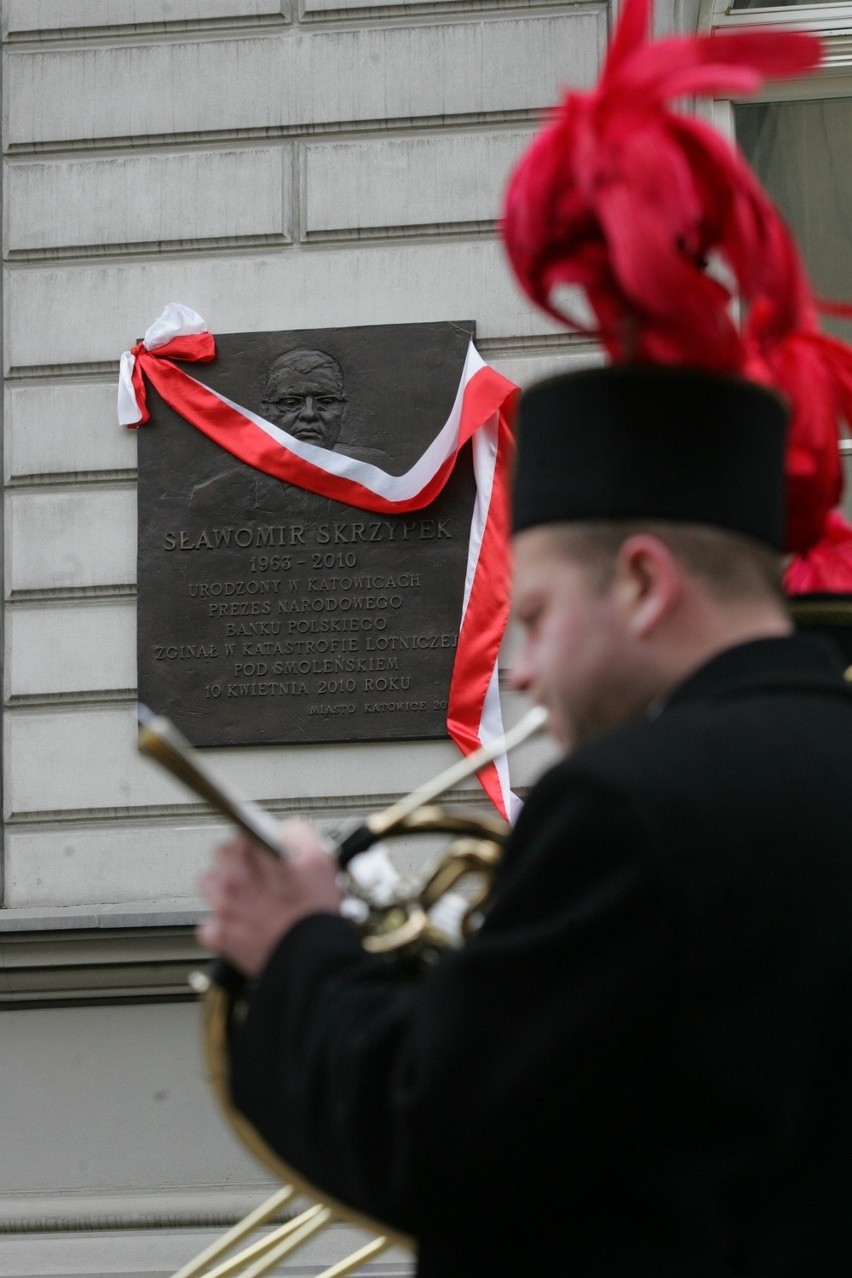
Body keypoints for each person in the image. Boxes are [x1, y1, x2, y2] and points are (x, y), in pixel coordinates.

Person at [199, 362, 852, 1276]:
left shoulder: (625, 805)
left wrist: (298, 942)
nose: (528, 673)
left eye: (536, 618)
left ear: (641, 583)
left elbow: (434, 1141)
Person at [261, 348, 348, 450]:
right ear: (266, 410)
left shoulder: (365, 464)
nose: (309, 414)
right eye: (291, 403)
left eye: (326, 402)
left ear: (343, 409)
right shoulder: (246, 458)